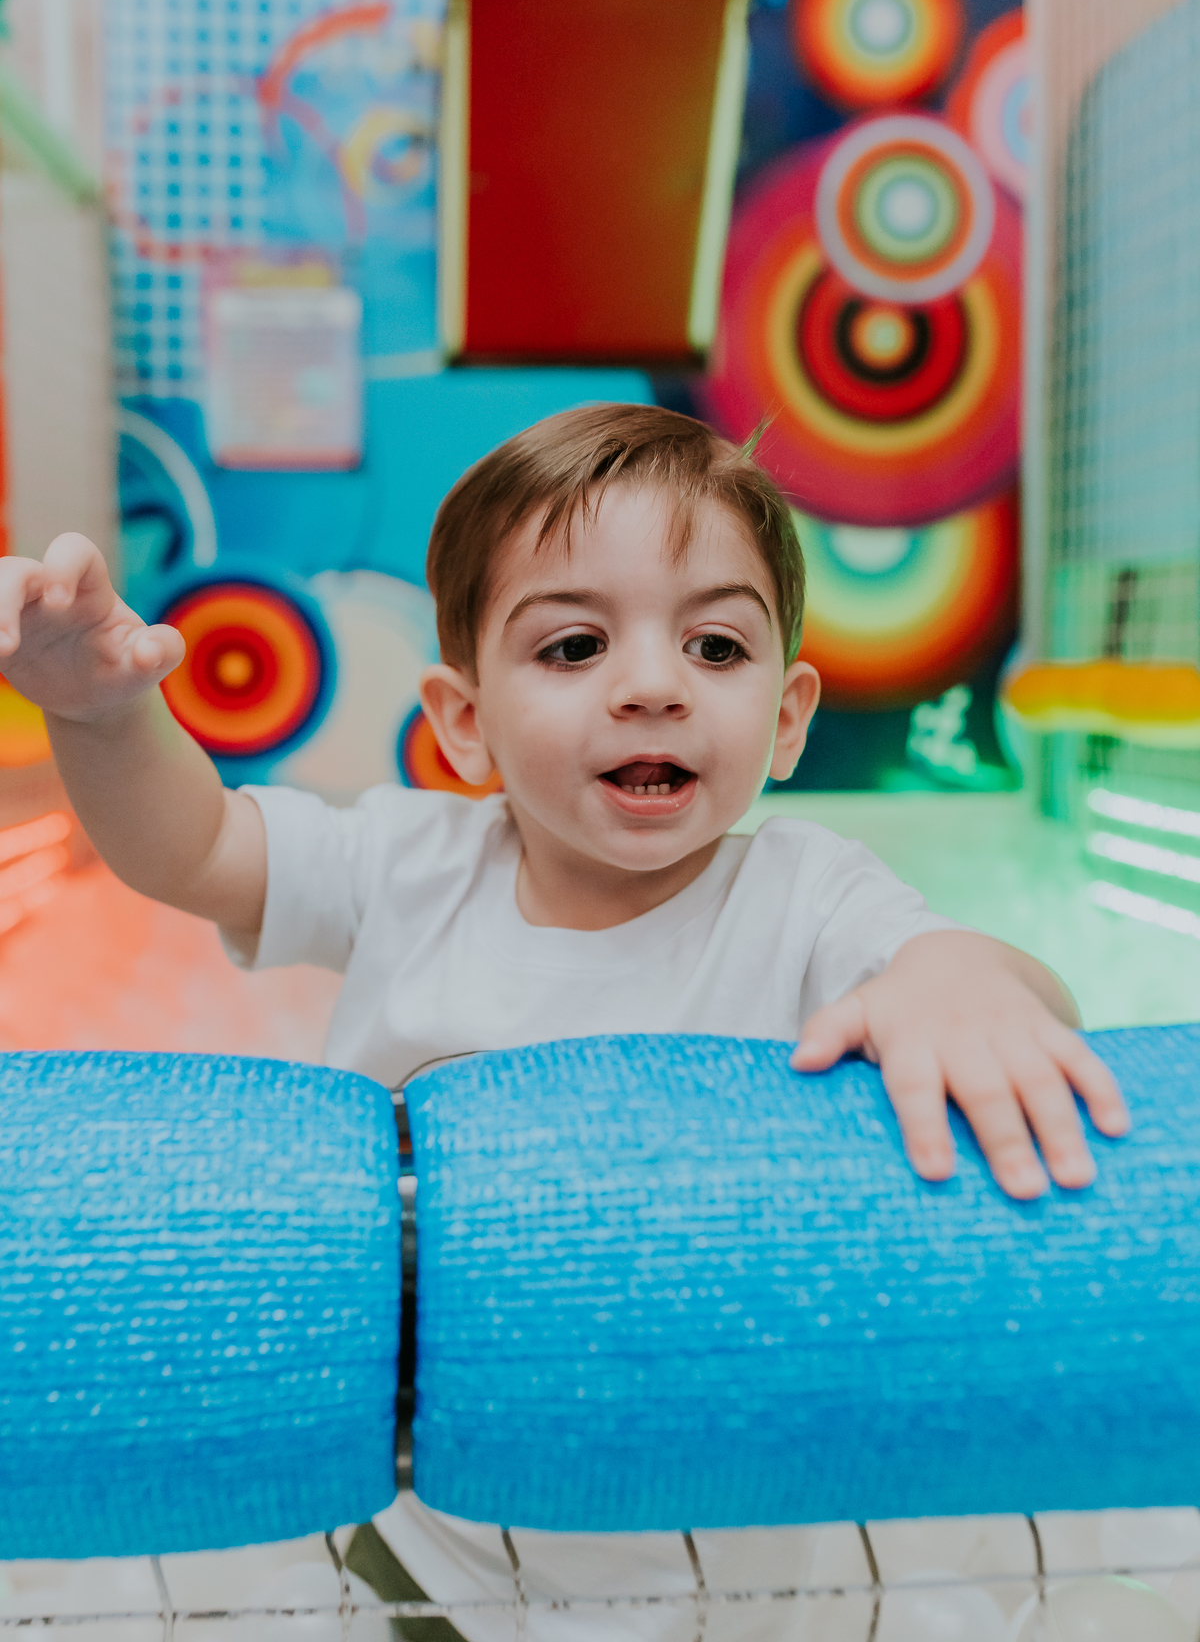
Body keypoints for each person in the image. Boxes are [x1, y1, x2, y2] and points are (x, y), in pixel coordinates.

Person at [0, 402, 1127, 1636]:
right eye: (576, 647)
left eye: (715, 647)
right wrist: (104, 714)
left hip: (736, 1539)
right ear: (465, 719)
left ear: (790, 715)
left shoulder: (803, 893)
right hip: (430, 1539)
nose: (652, 687)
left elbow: (999, 985)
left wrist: (953, 977)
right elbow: (200, 846)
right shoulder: (409, 864)